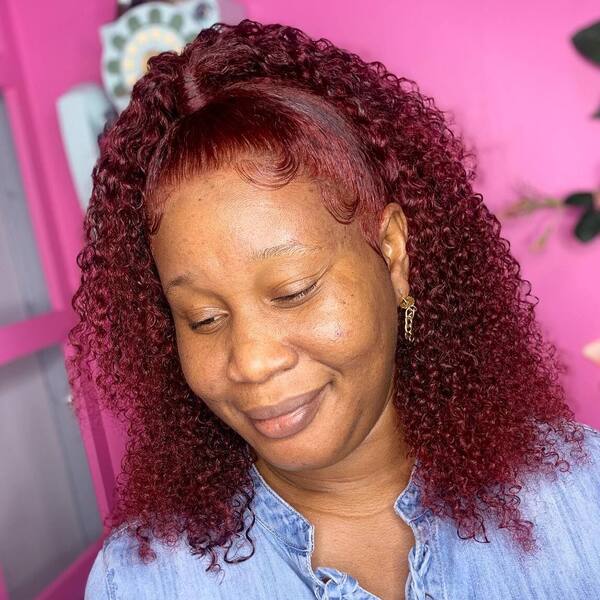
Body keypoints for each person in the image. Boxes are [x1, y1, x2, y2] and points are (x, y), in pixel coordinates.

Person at [70, 18, 600, 600]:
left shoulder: (581, 502)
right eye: (203, 318)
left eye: (294, 290)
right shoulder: (144, 584)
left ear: (393, 256)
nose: (250, 362)